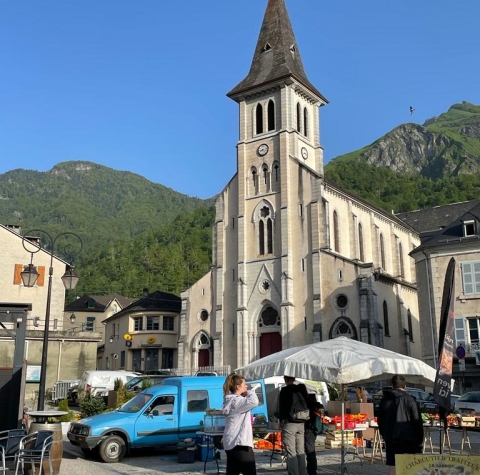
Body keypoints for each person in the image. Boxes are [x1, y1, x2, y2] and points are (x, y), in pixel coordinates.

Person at [377, 375, 424, 475]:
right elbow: (417, 421)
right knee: (409, 467)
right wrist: (420, 440)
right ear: (405, 386)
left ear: (392, 385)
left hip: (391, 439)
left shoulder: (384, 400)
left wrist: (384, 434)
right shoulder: (410, 400)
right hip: (409, 440)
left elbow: (380, 420)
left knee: (393, 467)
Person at [221, 373, 259, 475]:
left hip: (230, 442)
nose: (246, 386)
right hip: (240, 442)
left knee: (233, 471)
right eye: (244, 384)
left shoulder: (230, 400)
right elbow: (254, 401)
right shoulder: (237, 401)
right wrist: (249, 392)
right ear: (238, 387)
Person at [279, 376, 307, 475]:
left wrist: (281, 423)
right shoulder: (300, 389)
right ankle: (303, 473)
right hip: (301, 422)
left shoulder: (285, 390)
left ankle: (294, 473)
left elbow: (282, 408)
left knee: (291, 452)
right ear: (293, 379)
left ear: (285, 380)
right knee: (300, 451)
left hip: (289, 423)